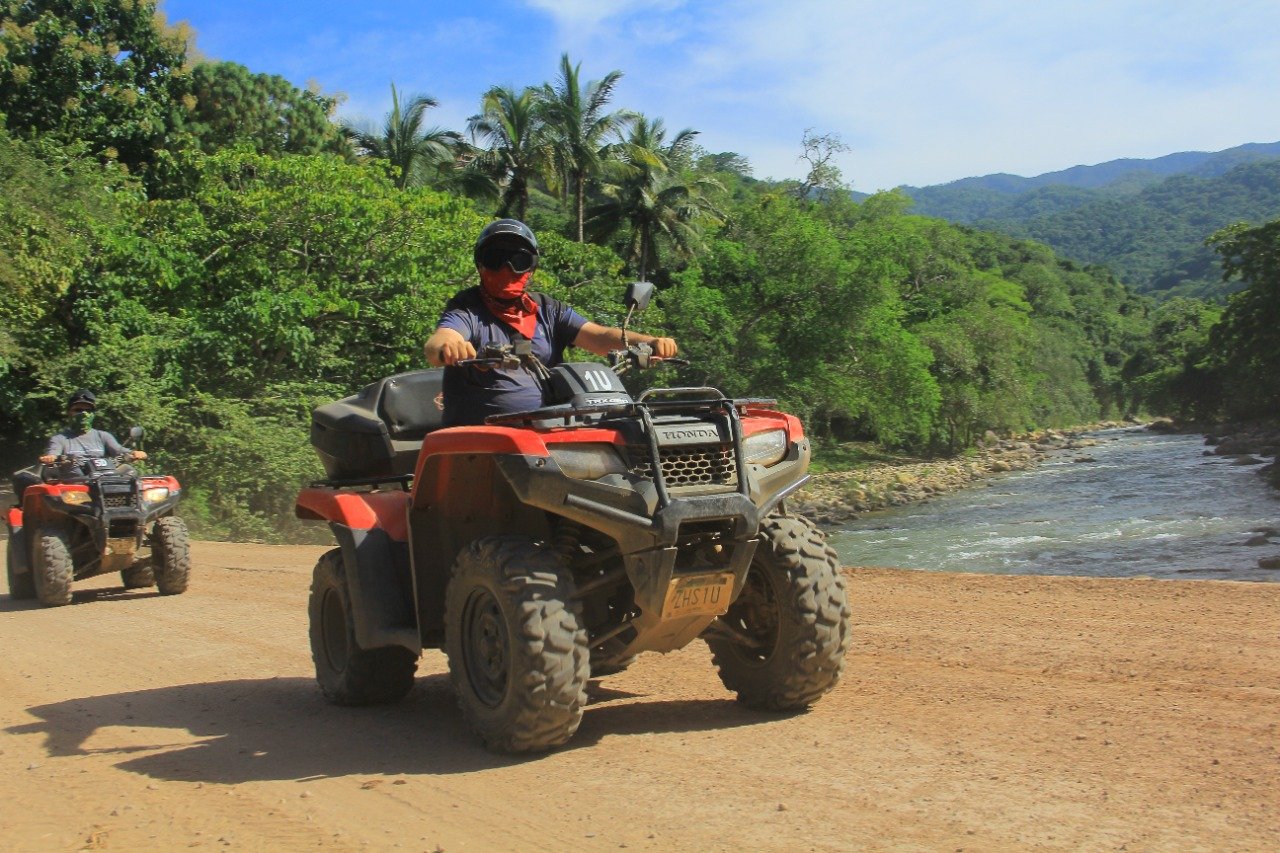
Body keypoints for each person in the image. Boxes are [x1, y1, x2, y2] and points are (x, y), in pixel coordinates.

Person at [424, 219, 678, 426]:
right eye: (495, 259)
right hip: (481, 441)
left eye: (518, 261)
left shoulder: (548, 309)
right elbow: (443, 339)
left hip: (551, 431)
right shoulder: (468, 308)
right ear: (480, 265)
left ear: (531, 268)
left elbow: (598, 337)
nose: (506, 268)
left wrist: (649, 342)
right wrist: (449, 346)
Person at [38, 389, 147, 465]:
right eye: (78, 410)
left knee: (129, 473)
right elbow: (54, 453)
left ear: (93, 414)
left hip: (102, 480)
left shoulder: (102, 436)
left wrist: (134, 453)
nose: (84, 414)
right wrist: (50, 458)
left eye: (88, 411)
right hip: (74, 488)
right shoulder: (60, 439)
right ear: (69, 412)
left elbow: (118, 450)